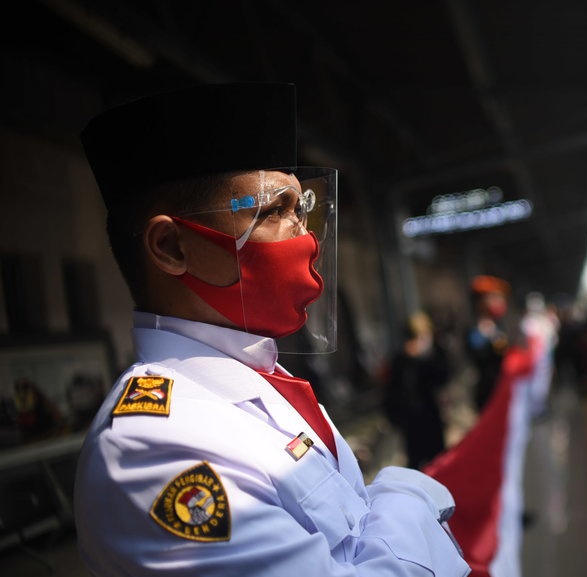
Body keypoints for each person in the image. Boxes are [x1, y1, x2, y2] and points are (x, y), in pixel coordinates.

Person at [73, 82, 469, 576]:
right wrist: (406, 494)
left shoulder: (262, 385)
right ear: (172, 247)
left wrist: (386, 508)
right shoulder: (153, 447)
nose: (304, 237)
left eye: (301, 210)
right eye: (273, 211)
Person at [385, 312, 451, 470]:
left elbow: (442, 377)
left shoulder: (434, 356)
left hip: (431, 414)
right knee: (416, 459)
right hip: (412, 419)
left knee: (437, 458)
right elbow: (395, 390)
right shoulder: (402, 360)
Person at [464, 275, 511, 411]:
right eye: (494, 297)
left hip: (504, 387)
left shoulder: (501, 326)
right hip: (487, 391)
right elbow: (477, 357)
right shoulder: (474, 330)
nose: (499, 302)